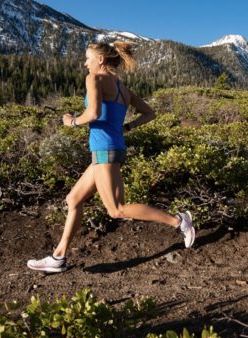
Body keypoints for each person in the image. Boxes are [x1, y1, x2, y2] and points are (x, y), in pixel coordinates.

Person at [27, 41, 195, 273]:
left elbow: (94, 112)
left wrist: (72, 121)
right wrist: (127, 127)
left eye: (88, 58)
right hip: (111, 148)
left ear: (101, 60)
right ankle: (58, 257)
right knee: (73, 199)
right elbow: (150, 113)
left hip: (105, 151)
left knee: (116, 209)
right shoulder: (122, 88)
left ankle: (178, 221)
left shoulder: (94, 79)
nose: (85, 63)